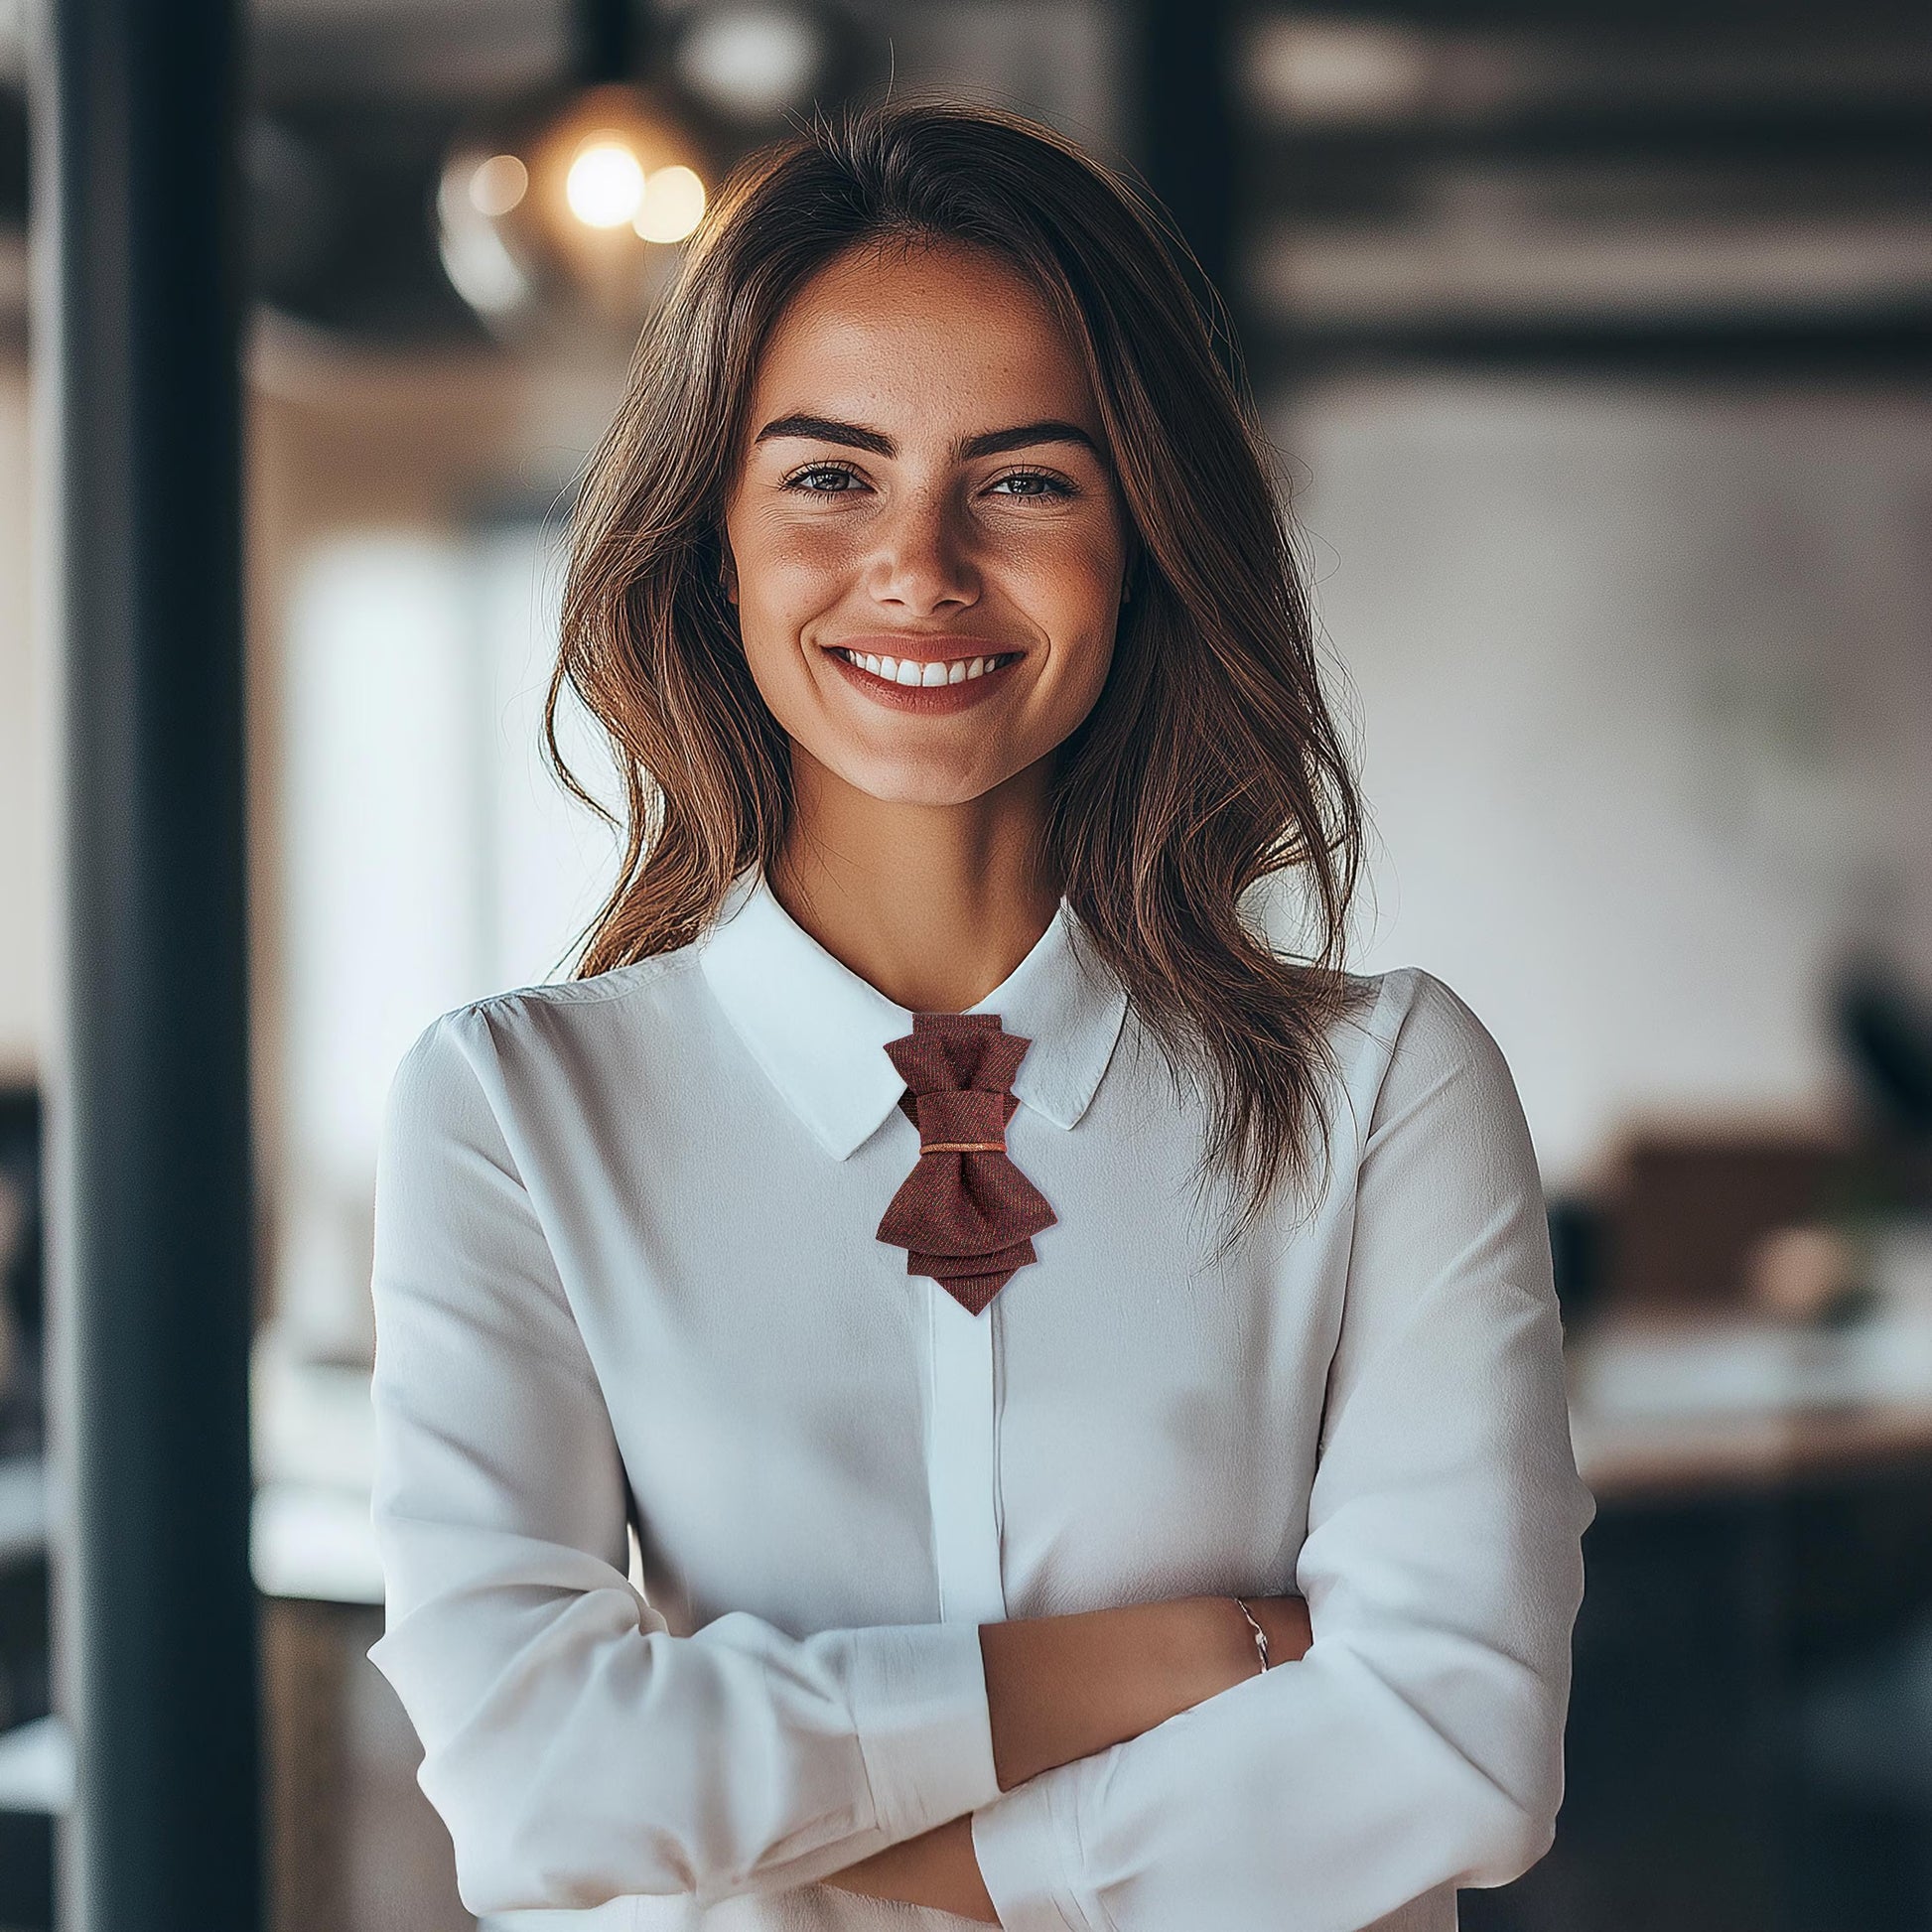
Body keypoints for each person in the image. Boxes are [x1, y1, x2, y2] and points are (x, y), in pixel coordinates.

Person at [366, 96, 1594, 1931]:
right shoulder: (515, 1110)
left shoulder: (1382, 1087)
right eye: (829, 473)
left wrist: (869, 1871)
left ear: (1139, 537)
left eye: (1024, 477)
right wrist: (1200, 1650)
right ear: (712, 535)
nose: (920, 566)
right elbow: (537, 1784)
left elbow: (1454, 1749)